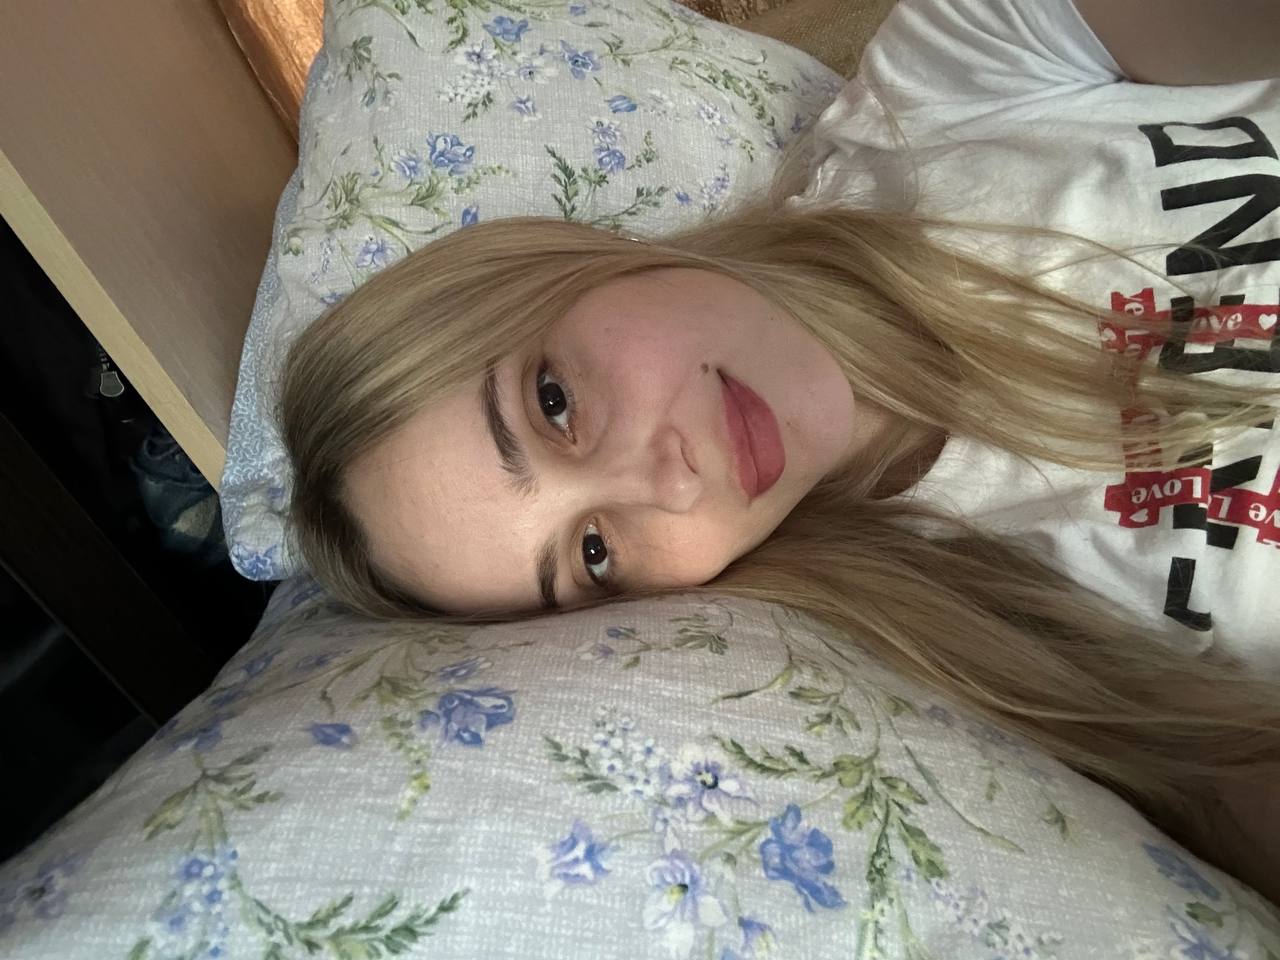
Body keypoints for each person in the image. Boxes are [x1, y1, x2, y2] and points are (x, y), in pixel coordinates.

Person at [278, 0, 1280, 901]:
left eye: (551, 404)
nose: (669, 484)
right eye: (593, 553)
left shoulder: (950, 88)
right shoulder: (1003, 669)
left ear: (562, 267)